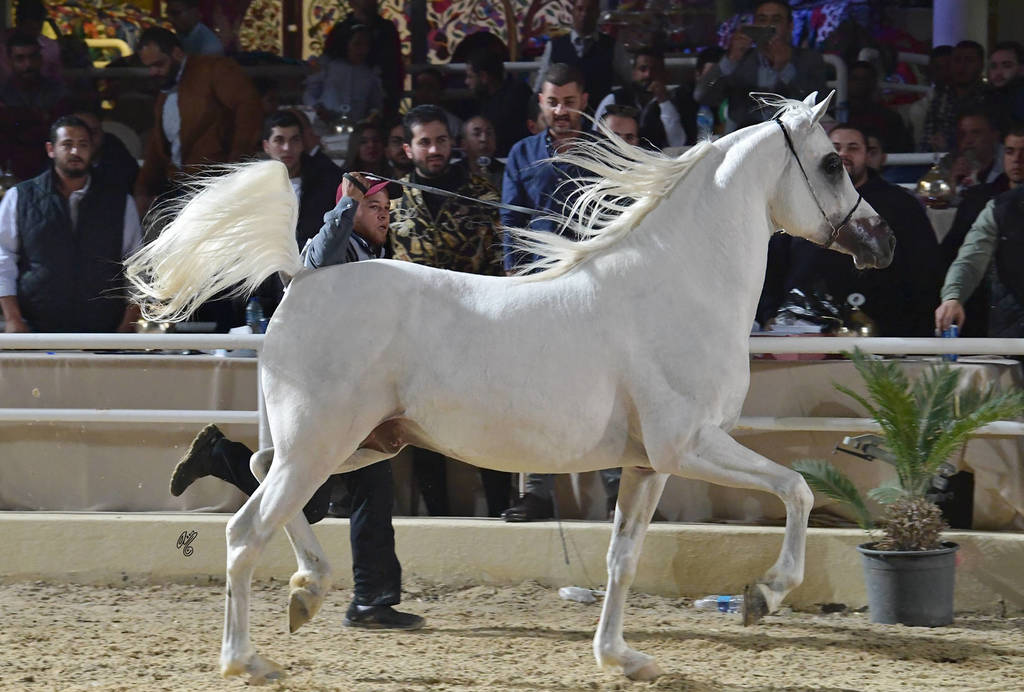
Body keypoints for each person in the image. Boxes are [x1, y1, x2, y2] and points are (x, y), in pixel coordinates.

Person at [170, 172, 424, 630]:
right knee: (316, 503)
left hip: (356, 399)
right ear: (349, 206)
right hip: (325, 398)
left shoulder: (376, 255)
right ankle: (370, 601)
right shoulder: (334, 246)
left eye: (387, 208)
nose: (385, 214)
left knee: (355, 493)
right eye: (374, 206)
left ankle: (372, 600)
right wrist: (347, 206)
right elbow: (316, 259)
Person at [500, 65, 619, 521]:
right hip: (538, 290)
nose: (561, 110)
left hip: (594, 291)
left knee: (604, 393)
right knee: (535, 392)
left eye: (569, 101)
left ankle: (617, 491)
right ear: (541, 102)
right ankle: (536, 493)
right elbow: (511, 220)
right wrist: (514, 275)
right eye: (553, 102)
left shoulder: (607, 153)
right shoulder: (521, 153)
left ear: (585, 100)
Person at [388, 105, 513, 517]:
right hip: (417, 339)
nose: (434, 149)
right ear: (408, 149)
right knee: (424, 431)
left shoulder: (480, 194)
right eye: (424, 142)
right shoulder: (392, 198)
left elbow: (500, 265)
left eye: (441, 140)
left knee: (488, 428)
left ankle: (500, 512)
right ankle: (437, 518)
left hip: (477, 330)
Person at [760, 124, 940, 338]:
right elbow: (771, 263)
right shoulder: (794, 202)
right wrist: (768, 313)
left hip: (885, 332)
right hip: (801, 331)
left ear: (868, 155)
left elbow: (925, 270)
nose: (843, 154)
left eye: (853, 148)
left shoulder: (901, 204)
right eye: (834, 147)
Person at [0, 115, 142, 333]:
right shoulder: (19, 197)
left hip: (104, 329)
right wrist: (13, 319)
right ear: (51, 149)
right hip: (36, 328)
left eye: (82, 145)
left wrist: (129, 322)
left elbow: (136, 264)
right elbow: (3, 260)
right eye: (67, 145)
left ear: (92, 149)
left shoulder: (119, 201)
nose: (75, 152)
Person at [134, 27, 262, 216]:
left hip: (215, 183)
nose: (154, 72)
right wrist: (143, 189)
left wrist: (235, 166)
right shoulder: (165, 93)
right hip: (180, 186)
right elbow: (158, 144)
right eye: (149, 67)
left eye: (159, 64)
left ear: (177, 53)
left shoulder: (213, 69)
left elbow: (248, 107)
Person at [936, 124, 1024, 339]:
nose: (1018, 160)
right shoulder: (999, 208)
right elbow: (970, 259)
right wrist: (953, 297)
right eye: (1011, 152)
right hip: (1012, 326)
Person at [695, 0, 826, 133]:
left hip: (791, 135)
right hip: (744, 137)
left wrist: (784, 70)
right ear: (754, 25)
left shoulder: (808, 59)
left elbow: (817, 105)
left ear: (790, 26)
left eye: (776, 20)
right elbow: (702, 96)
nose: (768, 26)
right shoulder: (739, 58)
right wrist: (730, 60)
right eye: (762, 20)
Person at [262, 110, 344, 247]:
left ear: (303, 143)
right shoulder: (256, 186)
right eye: (279, 140)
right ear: (266, 146)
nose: (287, 148)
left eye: (295, 140)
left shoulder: (323, 183)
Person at [0, 31, 69, 181]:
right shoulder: (3, 93)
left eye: (32, 57)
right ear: (10, 61)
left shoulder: (56, 91)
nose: (28, 65)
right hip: (11, 168)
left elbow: (57, 131)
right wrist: (36, 117)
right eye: (20, 59)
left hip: (49, 167)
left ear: (40, 58)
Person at [594, 46, 688, 149]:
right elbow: (595, 137)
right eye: (643, 69)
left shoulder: (676, 102)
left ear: (664, 74)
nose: (648, 75)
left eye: (655, 70)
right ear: (634, 73)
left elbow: (678, 143)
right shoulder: (614, 99)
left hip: (657, 161)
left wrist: (663, 101)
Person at [533, 0, 620, 110]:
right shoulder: (555, 46)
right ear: (572, 11)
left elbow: (628, 83)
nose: (584, 14)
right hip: (563, 114)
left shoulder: (612, 46)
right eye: (580, 9)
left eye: (590, 10)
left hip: (599, 117)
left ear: (598, 13)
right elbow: (541, 84)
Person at [324, 0, 403, 115]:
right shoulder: (340, 31)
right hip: (340, 99)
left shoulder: (386, 29)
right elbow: (326, 65)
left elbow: (395, 66)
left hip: (381, 96)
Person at [304, 23, 383, 126]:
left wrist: (373, 116)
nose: (362, 49)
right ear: (346, 44)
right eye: (357, 44)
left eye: (366, 45)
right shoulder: (328, 66)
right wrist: (318, 109)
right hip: (326, 124)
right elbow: (309, 94)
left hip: (356, 127)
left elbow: (375, 103)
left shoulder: (370, 73)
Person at [919, 40, 987, 152]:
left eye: (969, 60)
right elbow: (927, 137)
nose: (962, 66)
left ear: (981, 65)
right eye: (957, 60)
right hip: (936, 160)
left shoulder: (988, 97)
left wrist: (949, 147)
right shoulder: (942, 96)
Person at [464, 50, 531, 157]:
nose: (466, 82)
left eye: (470, 76)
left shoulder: (516, 97)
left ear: (483, 76)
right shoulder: (486, 97)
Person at [70, 98, 140, 194]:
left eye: (93, 132)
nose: (88, 139)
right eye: (80, 133)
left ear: (102, 133)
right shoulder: (59, 162)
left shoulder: (115, 152)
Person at [845, 61, 912, 153]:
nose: (859, 83)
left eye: (864, 79)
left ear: (873, 83)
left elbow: (901, 150)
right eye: (855, 78)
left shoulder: (890, 118)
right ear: (847, 81)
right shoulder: (836, 114)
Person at [0, 0, 62, 86]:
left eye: (37, 29)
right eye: (28, 28)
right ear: (18, 22)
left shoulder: (51, 48)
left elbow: (57, 81)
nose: (32, 34)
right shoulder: (2, 44)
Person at [948, 109, 1004, 191]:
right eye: (962, 134)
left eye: (976, 133)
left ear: (994, 135)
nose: (968, 140)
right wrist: (952, 187)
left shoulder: (1011, 164)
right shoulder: (951, 166)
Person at [461, 115, 504, 189]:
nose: (484, 139)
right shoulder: (454, 173)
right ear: (463, 144)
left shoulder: (507, 174)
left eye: (489, 133)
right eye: (477, 134)